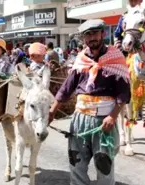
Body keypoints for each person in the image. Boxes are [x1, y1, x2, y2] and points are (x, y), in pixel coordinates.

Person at [49, 19, 130, 185]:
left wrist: (113, 116)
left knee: (104, 166)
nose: (92, 37)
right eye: (88, 34)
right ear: (84, 39)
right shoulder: (81, 60)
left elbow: (123, 93)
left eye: (95, 33)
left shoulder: (116, 58)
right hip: (80, 120)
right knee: (76, 163)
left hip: (104, 122)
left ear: (103, 34)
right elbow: (66, 89)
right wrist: (52, 111)